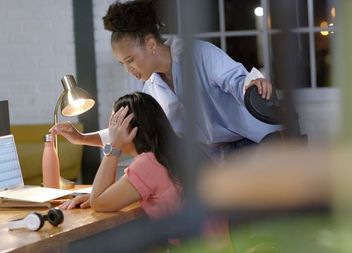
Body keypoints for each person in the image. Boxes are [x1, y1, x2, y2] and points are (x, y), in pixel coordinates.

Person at [51, 0, 282, 161]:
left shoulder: (198, 54)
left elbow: (236, 80)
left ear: (151, 45)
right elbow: (128, 129)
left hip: (258, 141)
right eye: (122, 63)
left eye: (130, 59)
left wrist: (253, 86)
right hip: (219, 154)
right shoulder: (152, 89)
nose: (128, 69)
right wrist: (81, 138)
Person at [61, 92, 183, 221]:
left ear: (127, 128)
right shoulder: (173, 151)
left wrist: (114, 147)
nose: (111, 132)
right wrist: (107, 197)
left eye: (114, 125)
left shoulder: (147, 164)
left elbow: (98, 203)